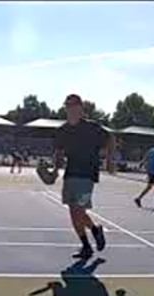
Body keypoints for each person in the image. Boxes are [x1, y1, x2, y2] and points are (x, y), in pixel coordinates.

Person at [53, 94, 116, 259]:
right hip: (70, 174)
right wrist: (54, 171)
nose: (71, 109)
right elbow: (59, 153)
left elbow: (110, 139)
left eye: (75, 105)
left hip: (87, 176)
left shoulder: (92, 128)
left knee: (78, 209)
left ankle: (91, 239)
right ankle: (90, 239)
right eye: (68, 106)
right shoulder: (62, 130)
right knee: (75, 213)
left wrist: (109, 160)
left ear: (81, 109)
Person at [134, 145, 154, 209]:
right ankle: (139, 198)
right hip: (153, 172)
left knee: (153, 187)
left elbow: (145, 158)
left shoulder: (151, 150)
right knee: (151, 186)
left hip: (150, 171)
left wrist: (141, 163)